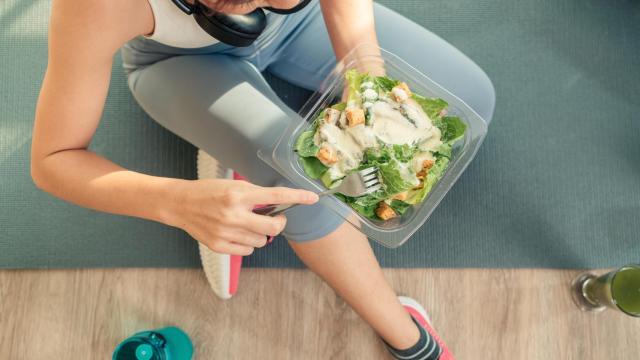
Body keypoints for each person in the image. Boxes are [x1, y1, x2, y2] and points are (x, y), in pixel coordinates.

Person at [31, 1, 495, 359]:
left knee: (470, 101)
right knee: (307, 194)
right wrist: (178, 201)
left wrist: (367, 82)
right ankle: (408, 338)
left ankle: (236, 145)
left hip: (301, 27)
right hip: (177, 62)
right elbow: (53, 160)